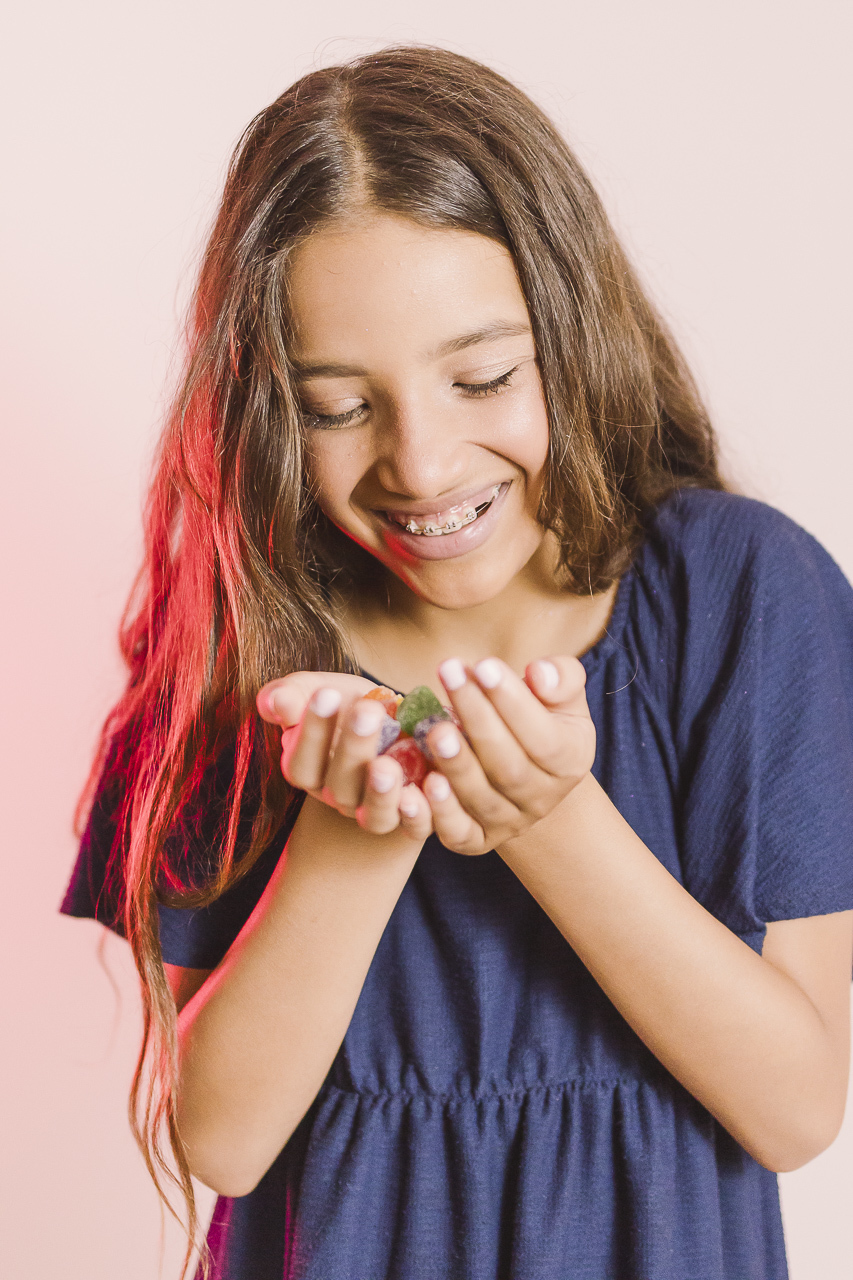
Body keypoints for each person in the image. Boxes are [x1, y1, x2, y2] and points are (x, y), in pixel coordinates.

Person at [61, 44, 853, 1280]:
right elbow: (218, 1135)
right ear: (270, 404)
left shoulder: (742, 593)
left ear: (570, 332)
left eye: (481, 376)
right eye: (337, 406)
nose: (422, 465)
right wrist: (351, 831)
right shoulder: (238, 628)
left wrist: (547, 816)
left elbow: (796, 1105)